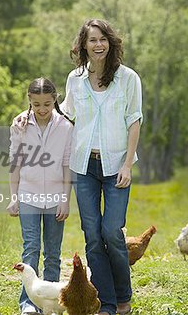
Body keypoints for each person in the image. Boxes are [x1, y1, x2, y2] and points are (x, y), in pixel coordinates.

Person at [60, 18, 143, 315]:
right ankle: (106, 303)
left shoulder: (128, 78)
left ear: (111, 43)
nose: (98, 45)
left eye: (103, 39)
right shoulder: (75, 79)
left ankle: (123, 295)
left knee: (111, 231)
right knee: (92, 235)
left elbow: (134, 120)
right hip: (84, 166)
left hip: (116, 166)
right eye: (92, 40)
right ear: (83, 45)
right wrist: (28, 116)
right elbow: (65, 116)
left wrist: (127, 165)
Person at [7, 77, 73, 315]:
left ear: (55, 100)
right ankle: (28, 304)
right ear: (29, 102)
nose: (42, 109)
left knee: (53, 253)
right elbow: (15, 164)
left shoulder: (65, 127)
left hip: (56, 198)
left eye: (47, 104)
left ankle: (54, 303)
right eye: (37, 105)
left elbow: (67, 165)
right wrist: (13, 197)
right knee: (31, 248)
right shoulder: (20, 126)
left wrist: (65, 199)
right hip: (27, 195)